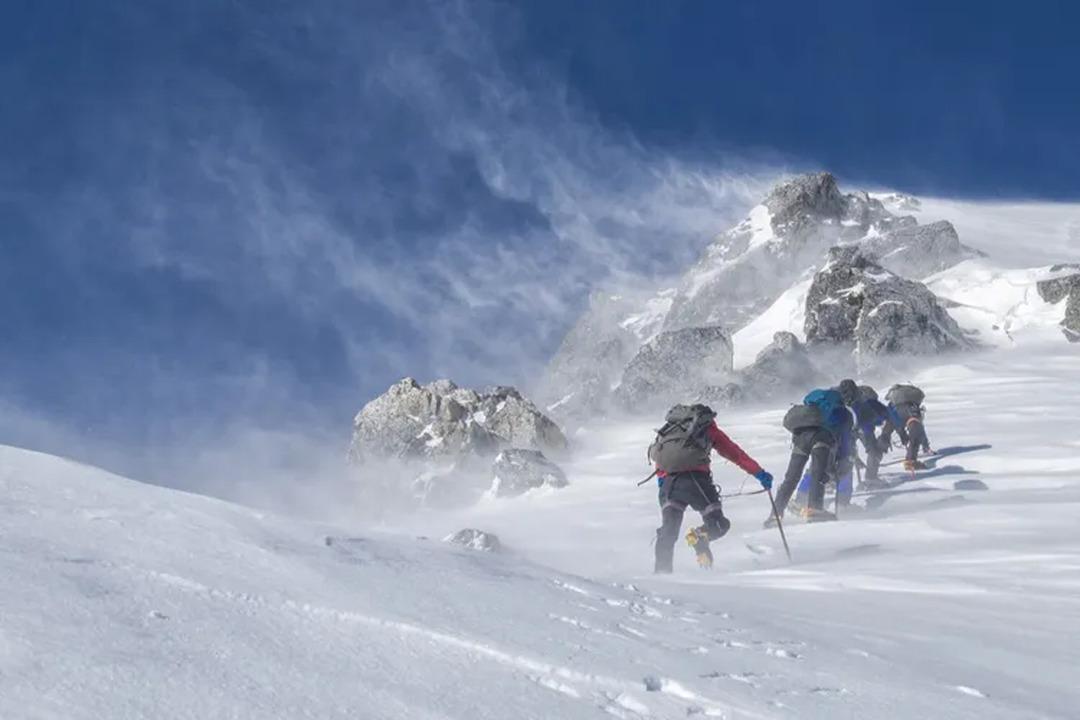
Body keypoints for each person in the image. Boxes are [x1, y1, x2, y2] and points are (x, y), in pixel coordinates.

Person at [648, 404, 773, 573]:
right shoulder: (707, 428)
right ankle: (701, 536)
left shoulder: (670, 430)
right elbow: (735, 454)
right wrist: (759, 473)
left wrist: (663, 488)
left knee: (668, 532)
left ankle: (662, 577)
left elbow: (661, 462)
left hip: (669, 485)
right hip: (698, 483)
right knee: (718, 524)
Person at [770, 385, 853, 525]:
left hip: (800, 437)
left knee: (791, 477)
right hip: (821, 438)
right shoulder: (844, 413)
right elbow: (844, 439)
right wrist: (844, 459)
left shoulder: (815, 404)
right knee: (818, 474)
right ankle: (815, 509)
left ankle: (775, 513)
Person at [849, 383, 904, 489]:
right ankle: (871, 478)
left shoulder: (847, 405)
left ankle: (831, 481)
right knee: (874, 452)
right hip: (865, 430)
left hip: (846, 430)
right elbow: (890, 416)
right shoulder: (872, 403)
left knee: (845, 455)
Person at [882, 384, 933, 471]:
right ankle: (911, 460)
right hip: (910, 413)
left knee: (886, 433)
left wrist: (903, 435)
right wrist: (925, 445)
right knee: (916, 432)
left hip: (893, 414)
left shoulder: (894, 403)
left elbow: (897, 422)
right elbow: (920, 430)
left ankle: (876, 455)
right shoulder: (912, 404)